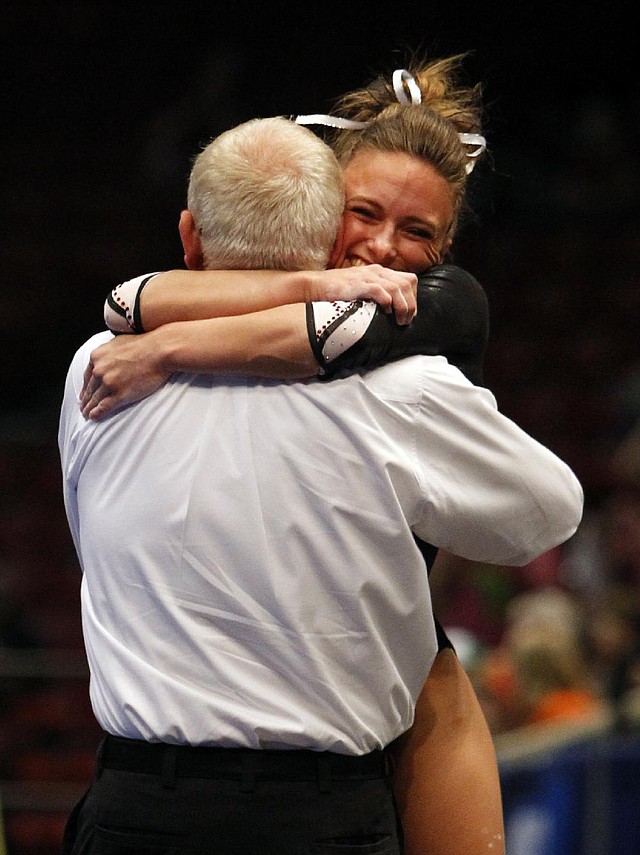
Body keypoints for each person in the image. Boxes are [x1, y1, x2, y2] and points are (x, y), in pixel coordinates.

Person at [60, 69, 583, 855]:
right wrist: (305, 286)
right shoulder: (400, 389)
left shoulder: (96, 367)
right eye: (362, 214)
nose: (379, 248)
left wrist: (170, 346)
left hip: (283, 779)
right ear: (319, 212)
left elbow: (143, 307)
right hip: (285, 799)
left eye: (417, 234)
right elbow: (132, 297)